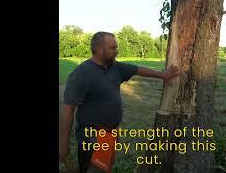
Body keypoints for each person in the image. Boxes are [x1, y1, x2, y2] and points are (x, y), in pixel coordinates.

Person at [59, 31, 179, 173]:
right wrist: (64, 141)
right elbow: (68, 109)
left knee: (106, 169)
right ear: (99, 49)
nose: (117, 51)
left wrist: (163, 75)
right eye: (113, 48)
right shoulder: (82, 74)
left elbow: (137, 69)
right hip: (93, 139)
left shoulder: (115, 67)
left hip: (111, 135)